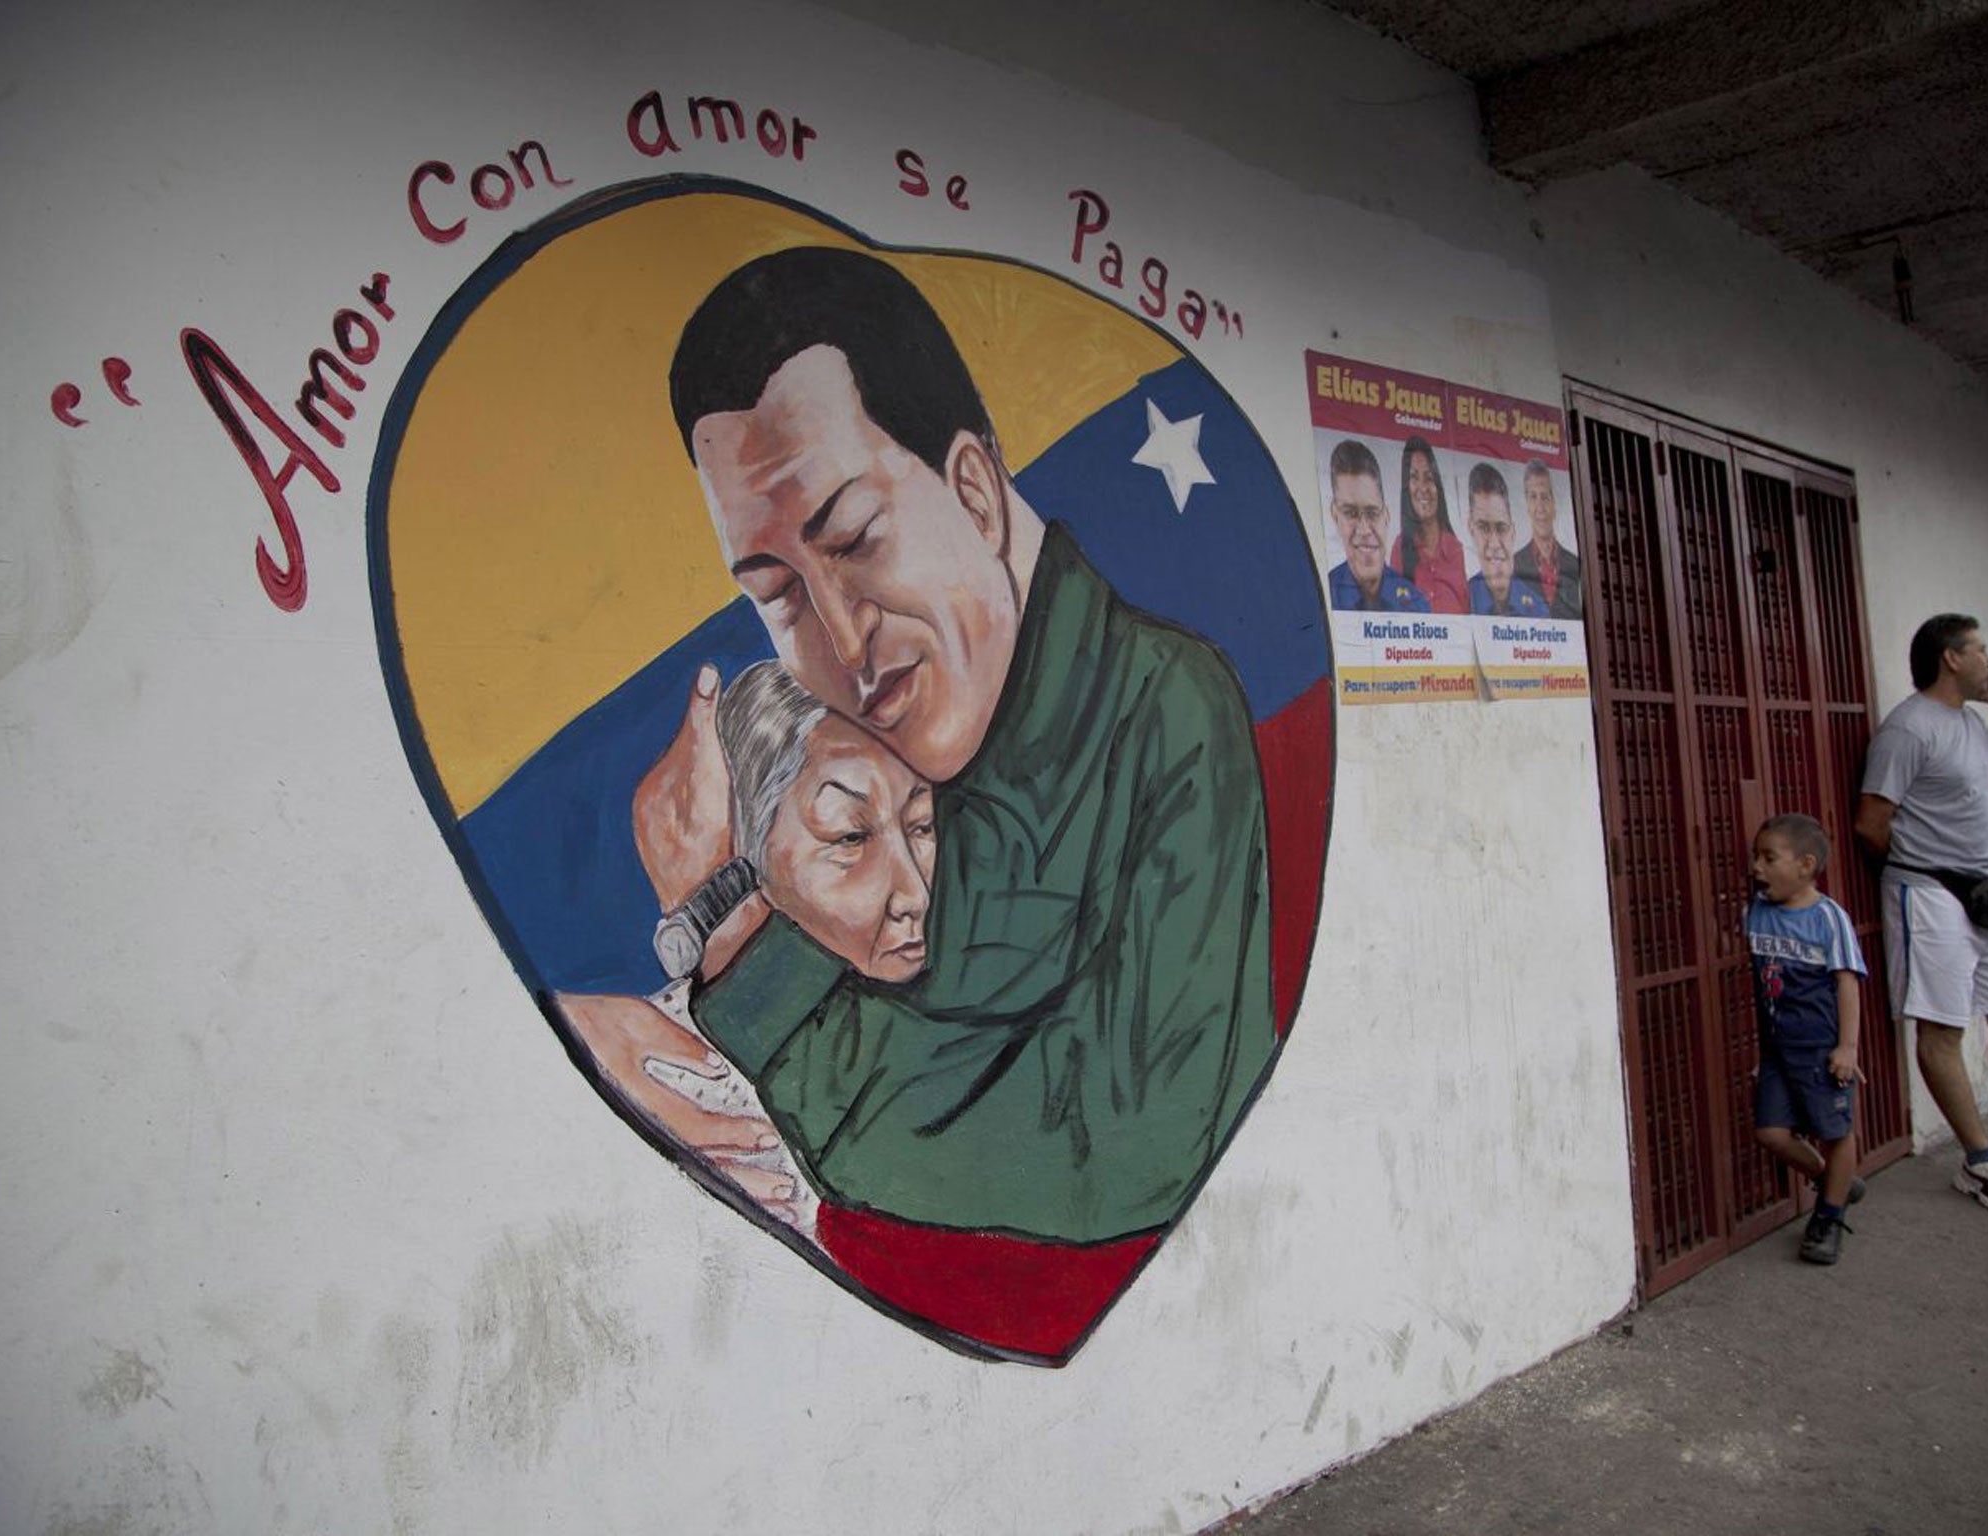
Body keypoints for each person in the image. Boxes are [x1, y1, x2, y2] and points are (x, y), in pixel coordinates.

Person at [623, 246, 1278, 1245]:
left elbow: (1118, 1150)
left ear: (971, 488)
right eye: (777, 595)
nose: (844, 644)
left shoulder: (1163, 714)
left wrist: (738, 942)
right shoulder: (825, 744)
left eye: (855, 539)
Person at [556, 661, 939, 1239]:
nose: (913, 891)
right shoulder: (676, 1076)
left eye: (922, 826)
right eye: (850, 837)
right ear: (744, 846)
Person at [1855, 613, 1988, 1218]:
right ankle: (1982, 1163)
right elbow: (1871, 823)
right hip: (1932, 893)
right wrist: (1923, 871)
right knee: (1941, 1029)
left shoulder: (1966, 723)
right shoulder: (1908, 730)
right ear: (1951, 658)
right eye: (1981, 649)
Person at [1745, 814, 1868, 1265]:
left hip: (1821, 1049)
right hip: (1777, 1048)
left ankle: (1829, 1218)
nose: (1757, 867)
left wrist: (1847, 1048)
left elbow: (1847, 984)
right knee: (1771, 1132)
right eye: (1755, 856)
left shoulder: (1828, 918)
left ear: (1806, 865)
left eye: (1769, 857)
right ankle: (1835, 1178)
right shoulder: (1757, 910)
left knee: (1835, 1132)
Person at [1324, 439, 1428, 613]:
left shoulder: (1416, 604)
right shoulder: (1323, 598)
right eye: (1351, 513)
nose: (1364, 530)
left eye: (1372, 513)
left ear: (1386, 517)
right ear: (1335, 516)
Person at [1389, 436, 1467, 615]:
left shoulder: (1456, 550)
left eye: (1429, 478)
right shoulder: (1400, 549)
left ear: (1437, 485)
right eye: (1414, 477)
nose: (1423, 487)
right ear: (1406, 487)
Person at [1463, 462, 1550, 619]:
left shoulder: (1538, 609)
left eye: (1501, 528)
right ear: (1471, 529)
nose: (1494, 544)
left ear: (1513, 531)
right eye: (1483, 528)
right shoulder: (1460, 602)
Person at [1511, 460, 1581, 621]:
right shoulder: (1513, 566)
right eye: (1533, 497)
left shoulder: (1575, 565)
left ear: (1555, 503)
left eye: (1545, 496)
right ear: (1526, 504)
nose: (1540, 506)